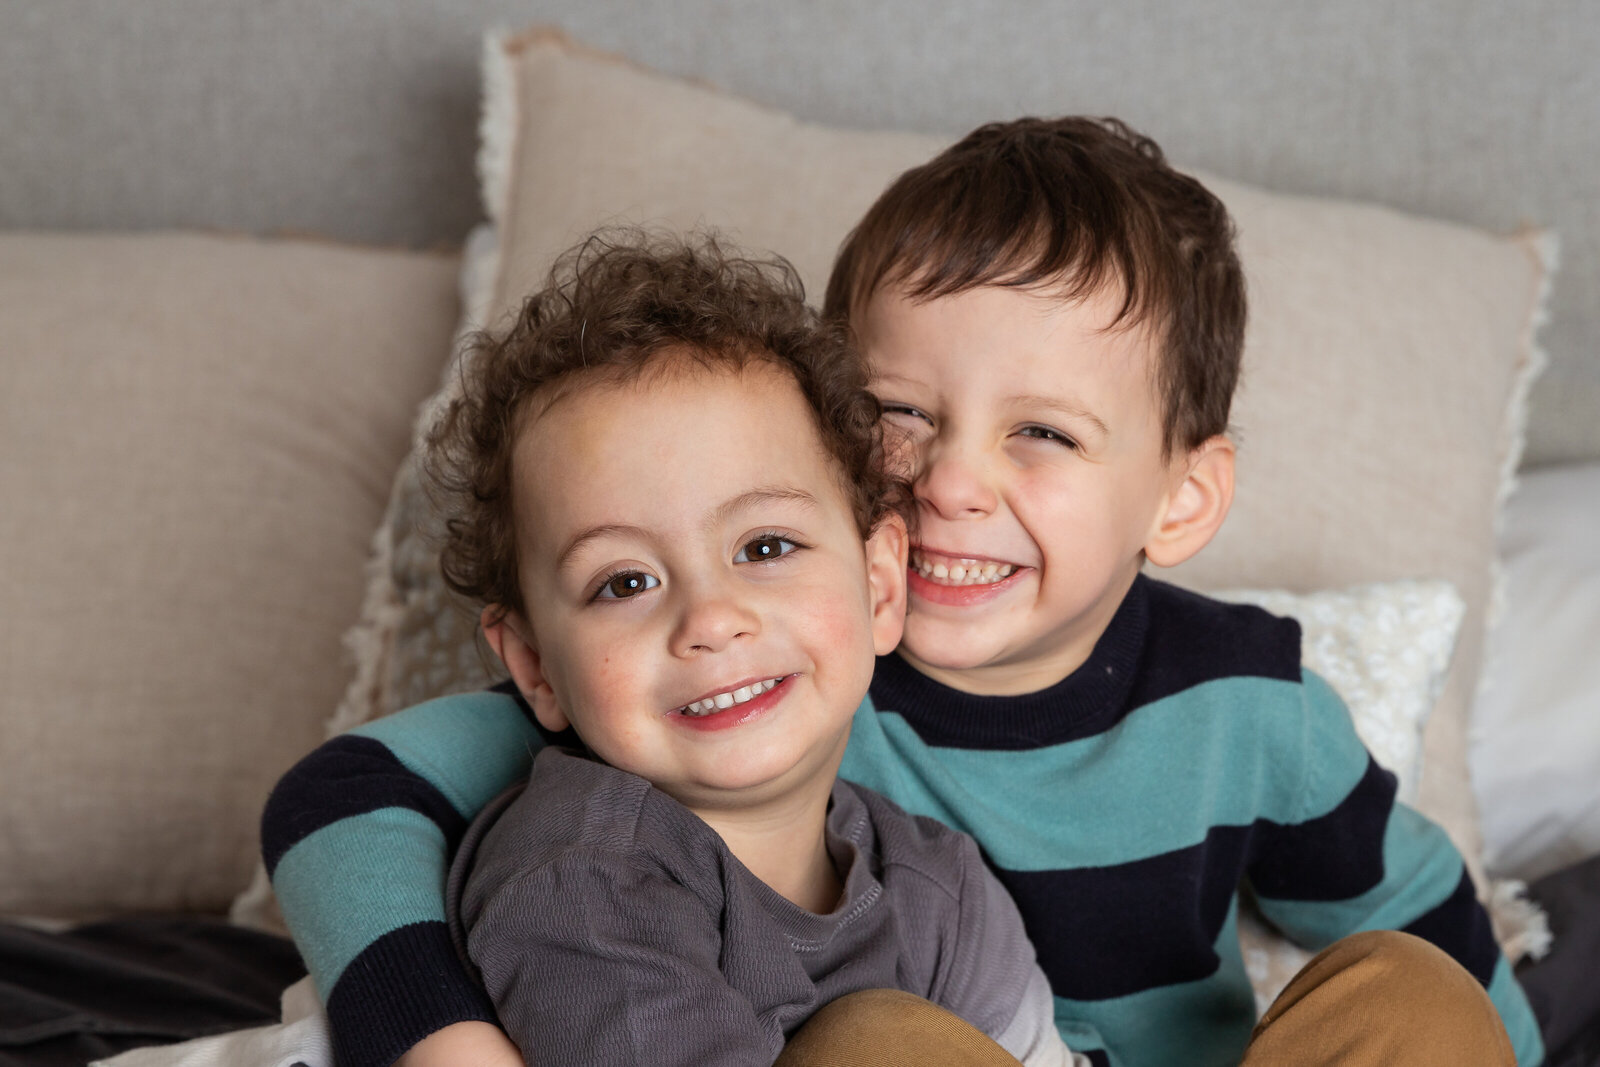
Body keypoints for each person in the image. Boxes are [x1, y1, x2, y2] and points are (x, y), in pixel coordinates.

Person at [261, 118, 1542, 1067]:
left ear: (1180, 497)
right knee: (880, 1041)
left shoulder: (1248, 704)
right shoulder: (764, 677)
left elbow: (1414, 900)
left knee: (1409, 990)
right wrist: (434, 1035)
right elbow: (344, 796)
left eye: (1039, 432)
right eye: (896, 416)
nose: (949, 483)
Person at [337, 230, 1077, 1067]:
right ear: (536, 667)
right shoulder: (580, 881)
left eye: (765, 547)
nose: (710, 618)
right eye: (624, 582)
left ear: (879, 586)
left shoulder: (941, 893)